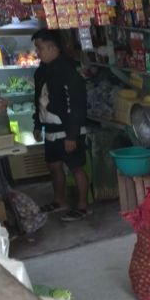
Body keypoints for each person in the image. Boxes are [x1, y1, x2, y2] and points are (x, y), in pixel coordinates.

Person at [32, 29, 90, 222]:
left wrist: (72, 135)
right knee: (53, 165)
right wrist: (37, 124)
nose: (37, 52)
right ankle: (59, 200)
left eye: (39, 48)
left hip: (68, 129)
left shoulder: (69, 70)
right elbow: (38, 100)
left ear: (52, 47)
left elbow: (76, 104)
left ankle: (82, 206)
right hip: (49, 127)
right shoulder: (41, 71)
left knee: (75, 167)